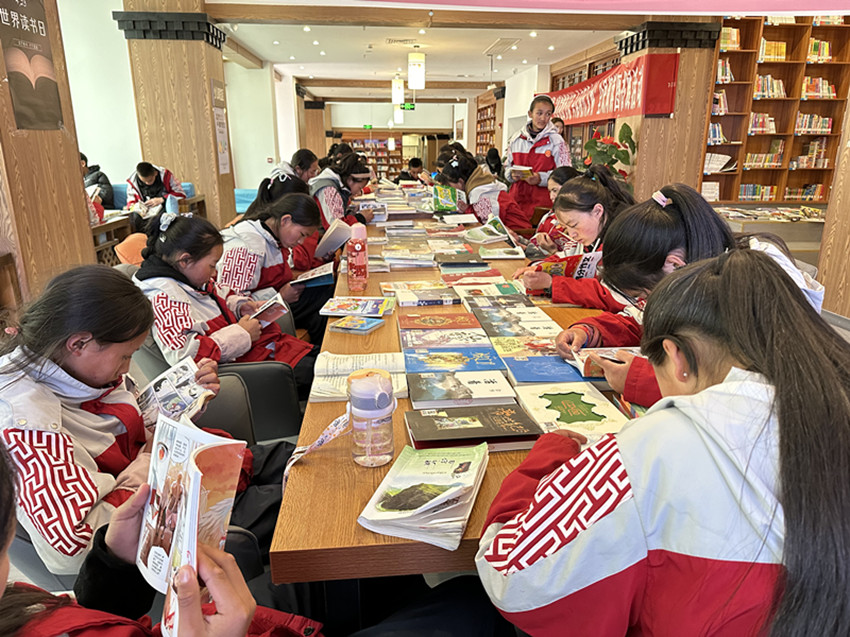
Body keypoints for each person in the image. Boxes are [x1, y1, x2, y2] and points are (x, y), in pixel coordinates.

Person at [477, 249, 850, 636]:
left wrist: (544, 460)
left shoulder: (652, 448)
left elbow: (514, 578)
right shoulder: (828, 406)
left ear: (676, 356)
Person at [0, 265, 222, 575]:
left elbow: (126, 420)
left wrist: (186, 396)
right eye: (125, 356)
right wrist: (154, 459)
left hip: (163, 495)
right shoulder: (25, 425)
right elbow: (76, 547)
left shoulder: (73, 365)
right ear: (79, 343)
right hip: (143, 551)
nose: (127, 368)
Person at [554, 184, 823, 408]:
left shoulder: (755, 284)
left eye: (645, 292)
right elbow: (643, 317)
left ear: (673, 265)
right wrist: (590, 331)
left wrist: (643, 380)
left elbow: (747, 399)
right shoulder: (696, 265)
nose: (645, 302)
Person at [133, 212, 317, 400]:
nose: (215, 273)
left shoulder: (191, 277)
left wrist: (241, 306)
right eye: (212, 265)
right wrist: (242, 334)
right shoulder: (164, 298)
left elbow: (220, 293)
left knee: (322, 360)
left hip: (260, 353)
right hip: (249, 373)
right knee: (320, 374)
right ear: (185, 260)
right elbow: (185, 355)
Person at [219, 192, 331, 346]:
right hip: (254, 318)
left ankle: (321, 349)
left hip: (274, 302)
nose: (301, 242)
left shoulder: (275, 239)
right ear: (285, 220)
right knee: (322, 299)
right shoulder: (247, 248)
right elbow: (232, 304)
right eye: (301, 235)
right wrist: (280, 296)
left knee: (321, 302)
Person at [518, 164, 635, 293]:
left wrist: (552, 284)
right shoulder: (593, 231)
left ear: (597, 211)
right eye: (565, 228)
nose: (571, 234)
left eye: (573, 225)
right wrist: (538, 267)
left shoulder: (624, 238)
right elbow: (571, 258)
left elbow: (609, 293)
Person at [503, 95, 569, 223]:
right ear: (530, 114)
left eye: (548, 114)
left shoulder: (557, 141)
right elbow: (507, 168)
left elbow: (565, 174)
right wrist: (511, 174)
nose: (543, 118)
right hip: (517, 202)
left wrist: (541, 178)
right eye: (539, 113)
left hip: (543, 206)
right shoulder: (516, 139)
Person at [440, 151, 529, 230]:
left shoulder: (482, 193)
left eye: (450, 186)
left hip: (518, 235)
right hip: (510, 232)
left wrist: (467, 210)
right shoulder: (481, 185)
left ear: (460, 182)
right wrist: (467, 209)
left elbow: (488, 224)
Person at [525, 165, 582, 257]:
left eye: (555, 190)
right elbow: (534, 246)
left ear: (570, 188)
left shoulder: (579, 222)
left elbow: (574, 260)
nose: (551, 197)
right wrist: (519, 241)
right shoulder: (550, 215)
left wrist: (553, 251)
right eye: (549, 191)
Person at [309, 153, 374, 228]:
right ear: (350, 180)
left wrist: (351, 212)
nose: (359, 192)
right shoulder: (329, 189)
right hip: (321, 233)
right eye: (360, 188)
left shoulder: (338, 186)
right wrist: (361, 218)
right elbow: (335, 226)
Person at [125, 161, 186, 232]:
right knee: (134, 217)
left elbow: (180, 193)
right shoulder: (133, 182)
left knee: (162, 216)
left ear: (155, 173)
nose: (147, 183)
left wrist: (162, 199)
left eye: (150, 180)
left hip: (162, 206)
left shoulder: (166, 175)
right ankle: (142, 237)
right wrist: (138, 207)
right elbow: (130, 203)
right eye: (144, 182)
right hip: (145, 211)